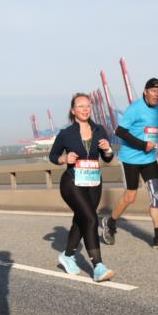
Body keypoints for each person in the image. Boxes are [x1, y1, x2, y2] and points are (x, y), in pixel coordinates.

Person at [101, 78, 158, 250]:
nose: (157, 95)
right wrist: (143, 145)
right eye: (154, 91)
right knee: (130, 197)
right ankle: (110, 222)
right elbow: (119, 131)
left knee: (157, 195)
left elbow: (154, 129)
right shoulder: (135, 108)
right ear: (145, 91)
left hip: (149, 159)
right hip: (130, 160)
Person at [48, 94, 116, 282]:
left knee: (83, 219)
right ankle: (98, 266)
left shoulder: (99, 129)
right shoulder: (66, 133)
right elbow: (53, 156)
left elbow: (108, 158)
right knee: (92, 218)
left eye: (88, 105)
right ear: (73, 110)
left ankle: (67, 255)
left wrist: (108, 149)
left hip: (93, 182)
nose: (85, 109)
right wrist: (64, 159)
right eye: (81, 106)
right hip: (72, 182)